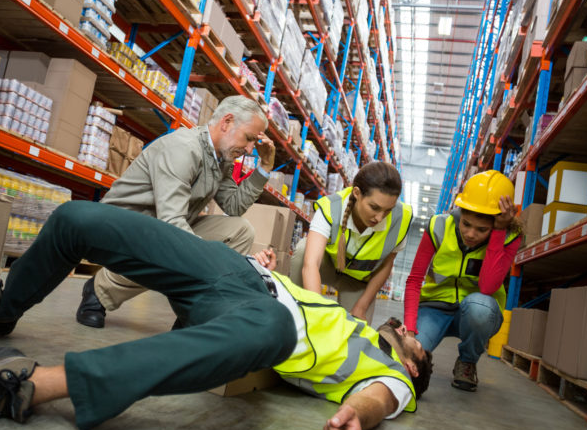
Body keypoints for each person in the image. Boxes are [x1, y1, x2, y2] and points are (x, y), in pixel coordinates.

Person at [0, 201, 433, 430]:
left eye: (415, 341)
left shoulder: (392, 376)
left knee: (271, 328)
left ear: (413, 363)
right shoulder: (352, 320)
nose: (409, 330)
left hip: (256, 322)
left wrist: (352, 421)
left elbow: (378, 400)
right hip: (238, 275)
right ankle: (1, 314)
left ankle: (22, 387)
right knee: (79, 219)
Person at [73, 95, 275, 330]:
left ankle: (196, 310)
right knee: (181, 250)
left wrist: (265, 167)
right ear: (227, 122)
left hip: (162, 227)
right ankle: (99, 290)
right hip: (124, 228)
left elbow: (234, 206)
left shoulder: (222, 158)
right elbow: (171, 223)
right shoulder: (183, 148)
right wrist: (211, 259)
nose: (250, 149)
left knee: (239, 231)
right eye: (249, 139)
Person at [403, 170, 521, 392]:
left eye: (481, 229)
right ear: (460, 211)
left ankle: (467, 361)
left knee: (479, 308)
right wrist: (410, 331)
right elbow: (414, 280)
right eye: (466, 223)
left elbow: (488, 286)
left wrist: (497, 233)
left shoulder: (509, 237)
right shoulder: (438, 226)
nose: (471, 234)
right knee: (410, 358)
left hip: (478, 312)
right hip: (434, 308)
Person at [289, 162, 413, 324]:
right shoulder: (331, 207)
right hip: (328, 267)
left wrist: (361, 307)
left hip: (358, 283)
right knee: (303, 250)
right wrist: (317, 311)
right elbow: (311, 263)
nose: (380, 217)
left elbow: (386, 266)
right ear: (357, 193)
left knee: (356, 332)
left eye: (388, 210)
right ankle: (295, 309)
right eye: (374, 207)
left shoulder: (401, 219)